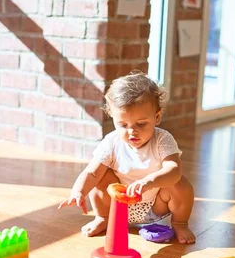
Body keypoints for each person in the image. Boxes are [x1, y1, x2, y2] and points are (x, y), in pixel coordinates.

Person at [58, 71, 196, 244]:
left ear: (157, 117)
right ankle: (103, 218)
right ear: (114, 119)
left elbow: (173, 170)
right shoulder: (112, 142)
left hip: (155, 206)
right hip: (117, 207)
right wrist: (78, 191)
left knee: (180, 184)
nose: (132, 131)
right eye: (123, 125)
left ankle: (180, 223)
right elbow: (91, 173)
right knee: (101, 177)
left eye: (141, 124)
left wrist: (149, 181)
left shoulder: (162, 139)